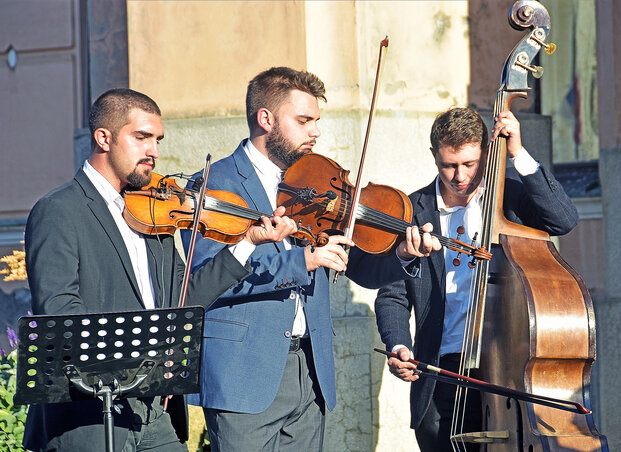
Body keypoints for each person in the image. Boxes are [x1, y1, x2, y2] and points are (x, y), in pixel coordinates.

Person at [22, 88, 297, 452]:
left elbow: (186, 297)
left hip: (154, 411)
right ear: (103, 138)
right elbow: (60, 312)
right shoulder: (59, 210)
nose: (153, 151)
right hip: (90, 412)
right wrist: (138, 356)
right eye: (141, 138)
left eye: (157, 140)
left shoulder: (153, 211)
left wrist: (247, 241)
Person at [182, 66, 441, 451]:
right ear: (265, 119)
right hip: (245, 374)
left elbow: (360, 268)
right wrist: (301, 262)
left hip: (309, 371)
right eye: (304, 121)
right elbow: (204, 281)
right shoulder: (214, 184)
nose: (315, 132)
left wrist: (401, 254)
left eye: (317, 121)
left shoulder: (318, 185)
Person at [374, 106, 580, 452]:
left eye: (469, 164)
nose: (459, 176)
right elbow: (392, 293)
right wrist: (398, 345)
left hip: (508, 368)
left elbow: (563, 220)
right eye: (448, 165)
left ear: (486, 152)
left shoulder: (510, 199)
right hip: (442, 370)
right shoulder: (411, 210)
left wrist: (517, 153)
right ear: (433, 156)